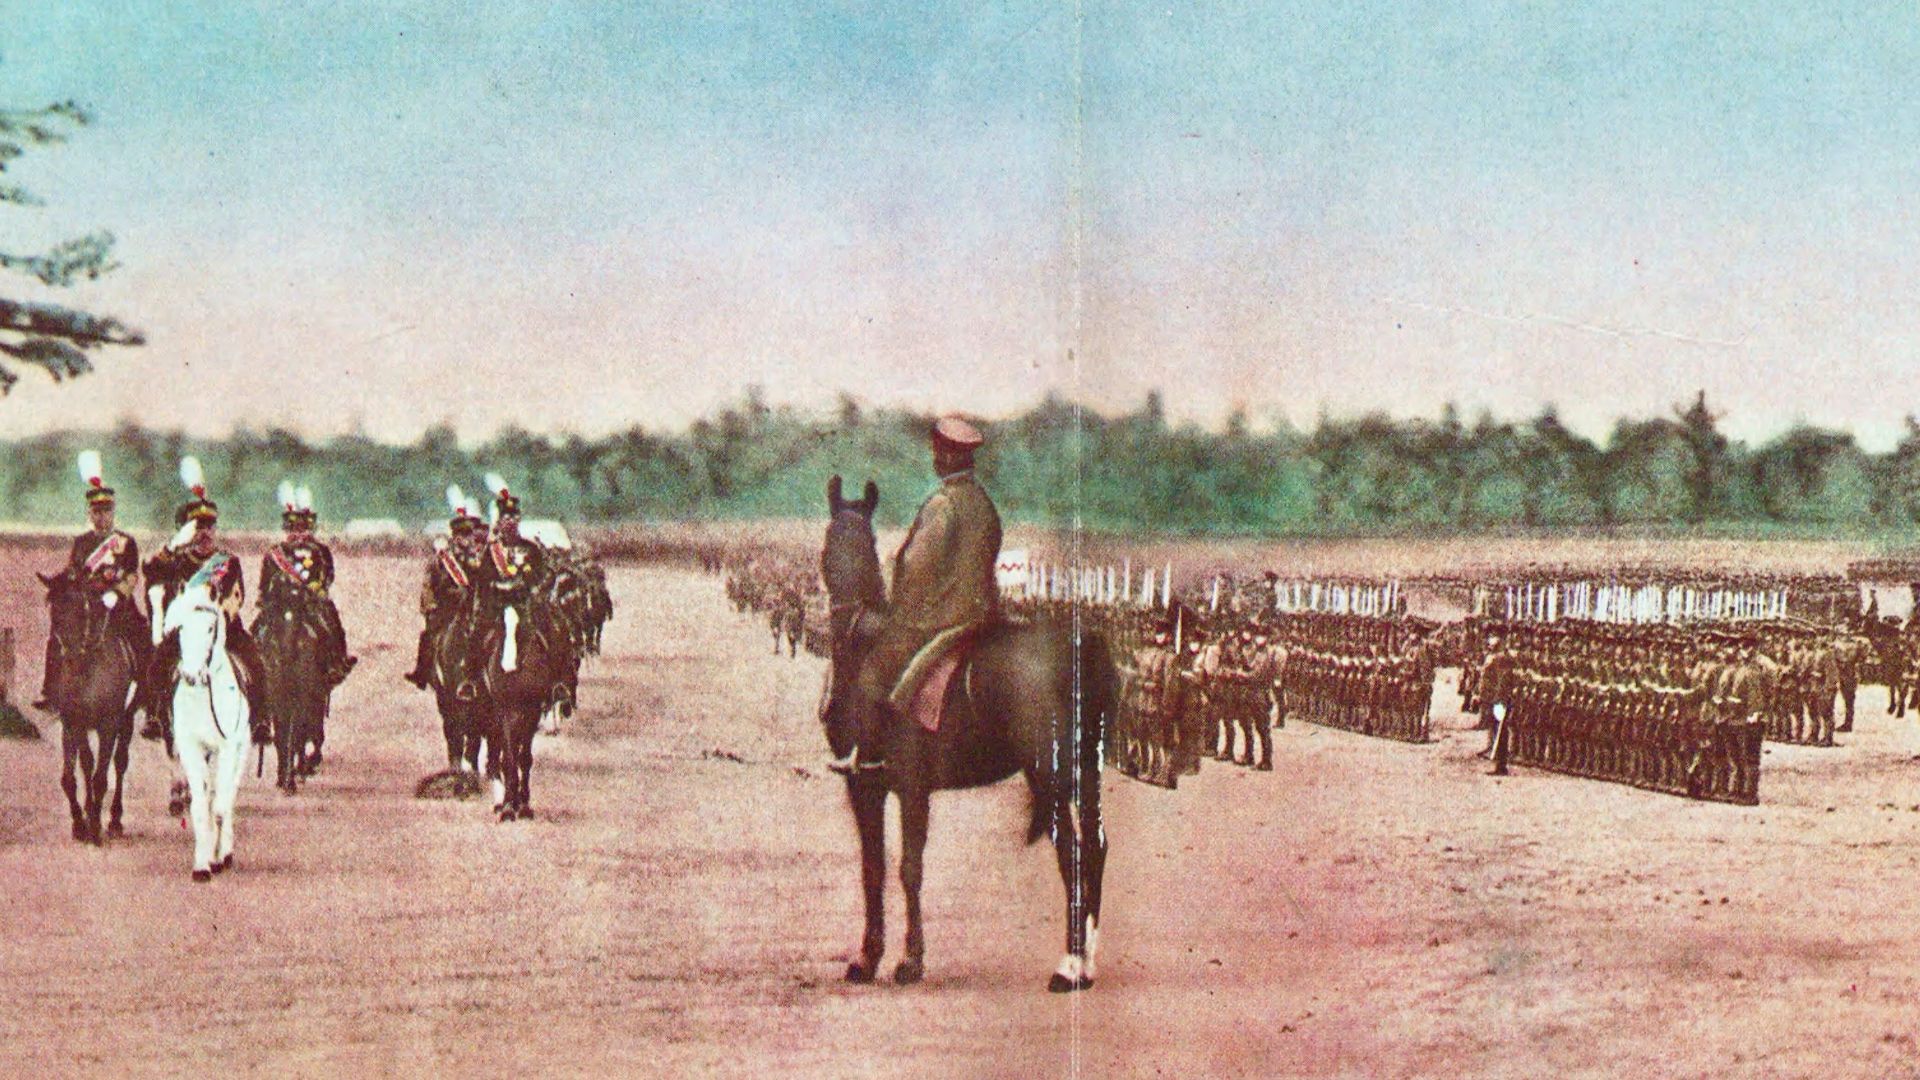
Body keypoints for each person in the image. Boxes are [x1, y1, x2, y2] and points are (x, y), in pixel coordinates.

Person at [830, 416, 1002, 774]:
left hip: (943, 620)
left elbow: (916, 569)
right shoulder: (984, 504)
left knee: (876, 666)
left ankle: (872, 756)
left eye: (940, 453)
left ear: (955, 457)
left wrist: (896, 606)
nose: (935, 459)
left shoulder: (942, 505)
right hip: (983, 614)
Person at [143, 459, 264, 738]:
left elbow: (236, 597)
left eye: (210, 526)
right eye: (198, 526)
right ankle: (156, 717)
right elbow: (150, 571)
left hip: (224, 631)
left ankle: (259, 721)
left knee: (256, 664)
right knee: (157, 665)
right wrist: (173, 545)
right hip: (186, 632)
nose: (205, 532)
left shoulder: (227, 562)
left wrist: (217, 619)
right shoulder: (177, 560)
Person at [37, 452, 150, 711]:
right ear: (89, 513)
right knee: (58, 637)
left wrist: (117, 594)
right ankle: (51, 692)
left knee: (143, 639)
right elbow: (73, 573)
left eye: (106, 511)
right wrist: (56, 582)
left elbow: (132, 575)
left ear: (113, 512)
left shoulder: (126, 542)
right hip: (87, 606)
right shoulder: (81, 542)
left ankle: (148, 697)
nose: (101, 517)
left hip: (118, 607)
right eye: (96, 512)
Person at [257, 487, 356, 687]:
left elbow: (327, 574)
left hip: (310, 603)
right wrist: (267, 597)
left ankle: (337, 663)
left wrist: (317, 589)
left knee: (331, 623)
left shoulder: (320, 551)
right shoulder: (274, 554)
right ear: (286, 530)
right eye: (293, 529)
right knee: (257, 630)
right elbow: (265, 583)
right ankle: (256, 671)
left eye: (302, 529)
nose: (298, 534)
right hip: (280, 604)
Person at [405, 495, 487, 691]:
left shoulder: (477, 560)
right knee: (428, 637)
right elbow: (428, 586)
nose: (466, 540)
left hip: (473, 608)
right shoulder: (442, 560)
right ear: (454, 537)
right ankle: (421, 672)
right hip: (446, 609)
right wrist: (431, 607)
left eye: (469, 535)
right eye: (462, 535)